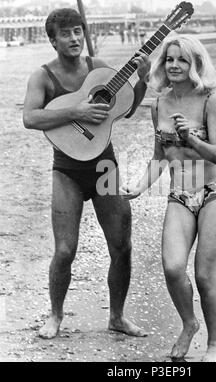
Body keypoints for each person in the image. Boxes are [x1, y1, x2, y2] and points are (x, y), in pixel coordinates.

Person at [22, 8, 151, 339]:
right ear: (53, 40)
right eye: (65, 34)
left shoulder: (99, 70)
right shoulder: (42, 76)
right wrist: (74, 111)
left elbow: (125, 110)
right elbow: (31, 118)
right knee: (65, 249)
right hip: (66, 169)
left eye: (78, 31)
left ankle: (118, 317)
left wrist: (143, 81)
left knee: (122, 245)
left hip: (103, 164)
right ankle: (55, 315)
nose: (74, 38)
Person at [121, 34, 216, 362]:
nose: (174, 65)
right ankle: (189, 324)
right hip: (180, 194)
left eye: (182, 60)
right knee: (172, 268)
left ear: (195, 65)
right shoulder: (159, 104)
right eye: (169, 59)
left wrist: (192, 139)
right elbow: (159, 156)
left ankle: (215, 344)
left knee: (203, 274)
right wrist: (140, 186)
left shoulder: (209, 100)